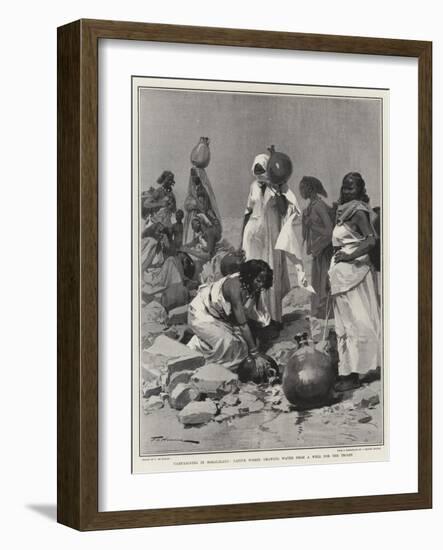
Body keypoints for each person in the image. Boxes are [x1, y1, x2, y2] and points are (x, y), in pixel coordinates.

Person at [329, 172, 381, 391]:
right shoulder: (343, 210)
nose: (346, 191)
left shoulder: (358, 211)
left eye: (351, 188)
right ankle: (351, 369)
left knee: (357, 322)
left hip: (355, 274)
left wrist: (349, 257)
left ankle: (355, 374)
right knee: (345, 323)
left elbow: (371, 241)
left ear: (360, 190)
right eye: (344, 187)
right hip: (343, 276)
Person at [241, 150, 302, 328]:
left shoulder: (278, 187)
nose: (260, 173)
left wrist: (278, 186)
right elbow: (248, 212)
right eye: (257, 170)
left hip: (272, 237)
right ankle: (256, 317)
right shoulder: (253, 186)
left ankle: (274, 318)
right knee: (253, 274)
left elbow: (284, 210)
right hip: (254, 238)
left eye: (263, 169)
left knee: (270, 274)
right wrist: (241, 240)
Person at [187, 259, 274, 374]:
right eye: (258, 281)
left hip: (219, 317)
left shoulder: (251, 285)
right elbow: (243, 325)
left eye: (263, 282)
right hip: (201, 314)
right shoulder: (235, 288)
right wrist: (255, 354)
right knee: (229, 345)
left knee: (241, 346)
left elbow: (251, 315)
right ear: (250, 276)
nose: (261, 285)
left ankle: (203, 346)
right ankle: (201, 363)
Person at [300, 176, 334, 319]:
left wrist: (311, 224)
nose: (300, 191)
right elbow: (305, 235)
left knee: (324, 285)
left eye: (303, 188)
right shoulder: (309, 208)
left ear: (311, 189)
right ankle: (322, 315)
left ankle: (328, 315)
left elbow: (330, 231)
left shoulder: (319, 206)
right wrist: (304, 221)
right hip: (317, 252)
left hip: (325, 251)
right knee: (318, 285)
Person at [141, 222, 184, 304]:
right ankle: (178, 290)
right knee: (171, 261)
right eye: (159, 232)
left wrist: (166, 241)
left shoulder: (159, 243)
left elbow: (170, 253)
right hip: (150, 277)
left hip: (157, 273)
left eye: (162, 232)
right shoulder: (152, 242)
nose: (161, 234)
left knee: (173, 260)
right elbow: (143, 267)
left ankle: (178, 289)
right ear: (153, 231)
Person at [184, 166, 222, 243]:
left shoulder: (201, 190)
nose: (193, 178)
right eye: (192, 175)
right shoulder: (194, 189)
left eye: (195, 175)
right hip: (194, 217)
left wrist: (194, 201)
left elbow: (203, 207)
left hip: (202, 218)